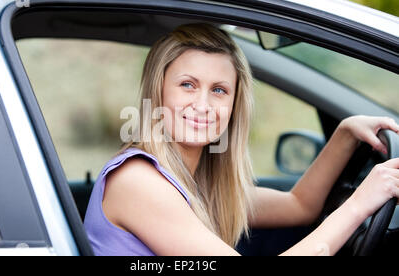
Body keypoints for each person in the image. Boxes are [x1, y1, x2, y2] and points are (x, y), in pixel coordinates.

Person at [84, 23, 399, 256]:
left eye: (218, 90)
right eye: (187, 85)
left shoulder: (200, 185)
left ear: (234, 105)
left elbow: (299, 206)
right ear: (159, 91)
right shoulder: (138, 181)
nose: (203, 105)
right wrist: (361, 202)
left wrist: (344, 133)